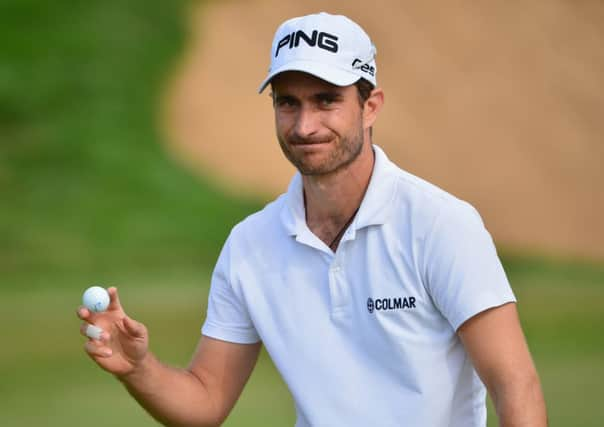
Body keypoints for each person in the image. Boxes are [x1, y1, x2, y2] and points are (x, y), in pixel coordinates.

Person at [77, 12, 547, 427]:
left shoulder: (441, 224)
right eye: (288, 102)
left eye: (326, 100)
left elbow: (515, 387)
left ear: (370, 107)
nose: (304, 126)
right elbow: (205, 401)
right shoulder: (250, 245)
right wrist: (139, 369)